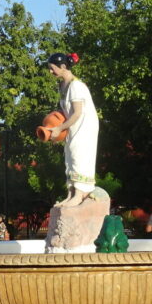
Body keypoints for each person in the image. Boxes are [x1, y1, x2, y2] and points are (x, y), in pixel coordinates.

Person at [45, 52, 99, 208]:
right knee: (69, 156)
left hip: (84, 126)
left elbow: (77, 112)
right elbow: (64, 113)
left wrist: (60, 128)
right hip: (72, 126)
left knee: (79, 155)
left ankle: (81, 193)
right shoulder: (63, 85)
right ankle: (71, 193)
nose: (50, 72)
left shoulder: (76, 85)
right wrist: (54, 130)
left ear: (63, 67)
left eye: (52, 68)